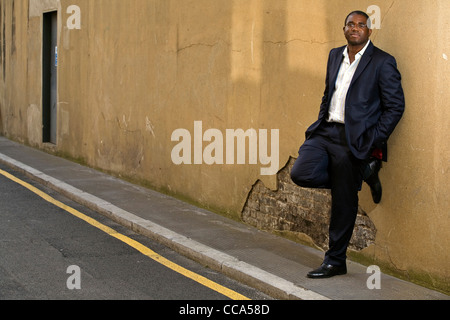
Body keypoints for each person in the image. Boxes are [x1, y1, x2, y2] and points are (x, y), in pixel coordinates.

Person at [290, 10, 405, 278]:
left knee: (343, 200)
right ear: (344, 29)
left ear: (369, 31)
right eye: (350, 25)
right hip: (326, 131)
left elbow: (395, 107)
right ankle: (362, 173)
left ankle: (335, 261)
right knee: (301, 173)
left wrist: (371, 140)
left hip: (355, 139)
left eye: (361, 25)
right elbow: (327, 92)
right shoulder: (334, 55)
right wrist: (321, 119)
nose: (355, 29)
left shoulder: (382, 62)